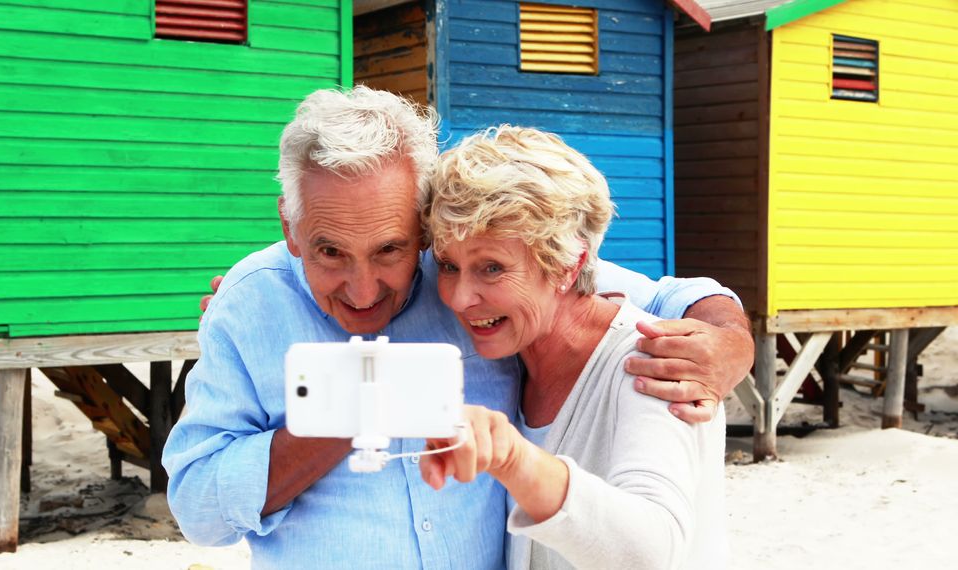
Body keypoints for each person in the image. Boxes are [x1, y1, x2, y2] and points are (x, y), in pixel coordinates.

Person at [164, 86, 751, 568]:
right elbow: (197, 509)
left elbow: (617, 285)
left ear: (419, 228)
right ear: (291, 229)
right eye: (329, 252)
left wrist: (730, 337)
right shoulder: (248, 305)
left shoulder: (461, 266)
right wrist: (350, 408)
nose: (363, 290)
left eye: (390, 250)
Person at [420, 125, 726, 569]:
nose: (460, 297)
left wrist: (514, 459)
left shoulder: (653, 361)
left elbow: (651, 550)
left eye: (491, 268)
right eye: (449, 265)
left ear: (569, 265)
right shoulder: (517, 360)